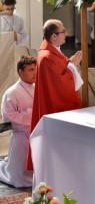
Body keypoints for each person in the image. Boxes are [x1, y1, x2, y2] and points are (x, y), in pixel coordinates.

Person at [27, 19, 83, 170]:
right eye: (63, 31)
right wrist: (72, 66)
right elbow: (60, 83)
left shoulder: (53, 51)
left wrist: (70, 65)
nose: (67, 34)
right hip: (54, 109)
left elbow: (61, 72)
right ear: (54, 36)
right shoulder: (46, 57)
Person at [0, 55, 36, 187]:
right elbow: (9, 118)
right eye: (31, 70)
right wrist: (32, 112)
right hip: (21, 137)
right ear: (20, 72)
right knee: (19, 178)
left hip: (35, 134)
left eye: (35, 69)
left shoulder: (37, 87)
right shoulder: (12, 92)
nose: (35, 72)